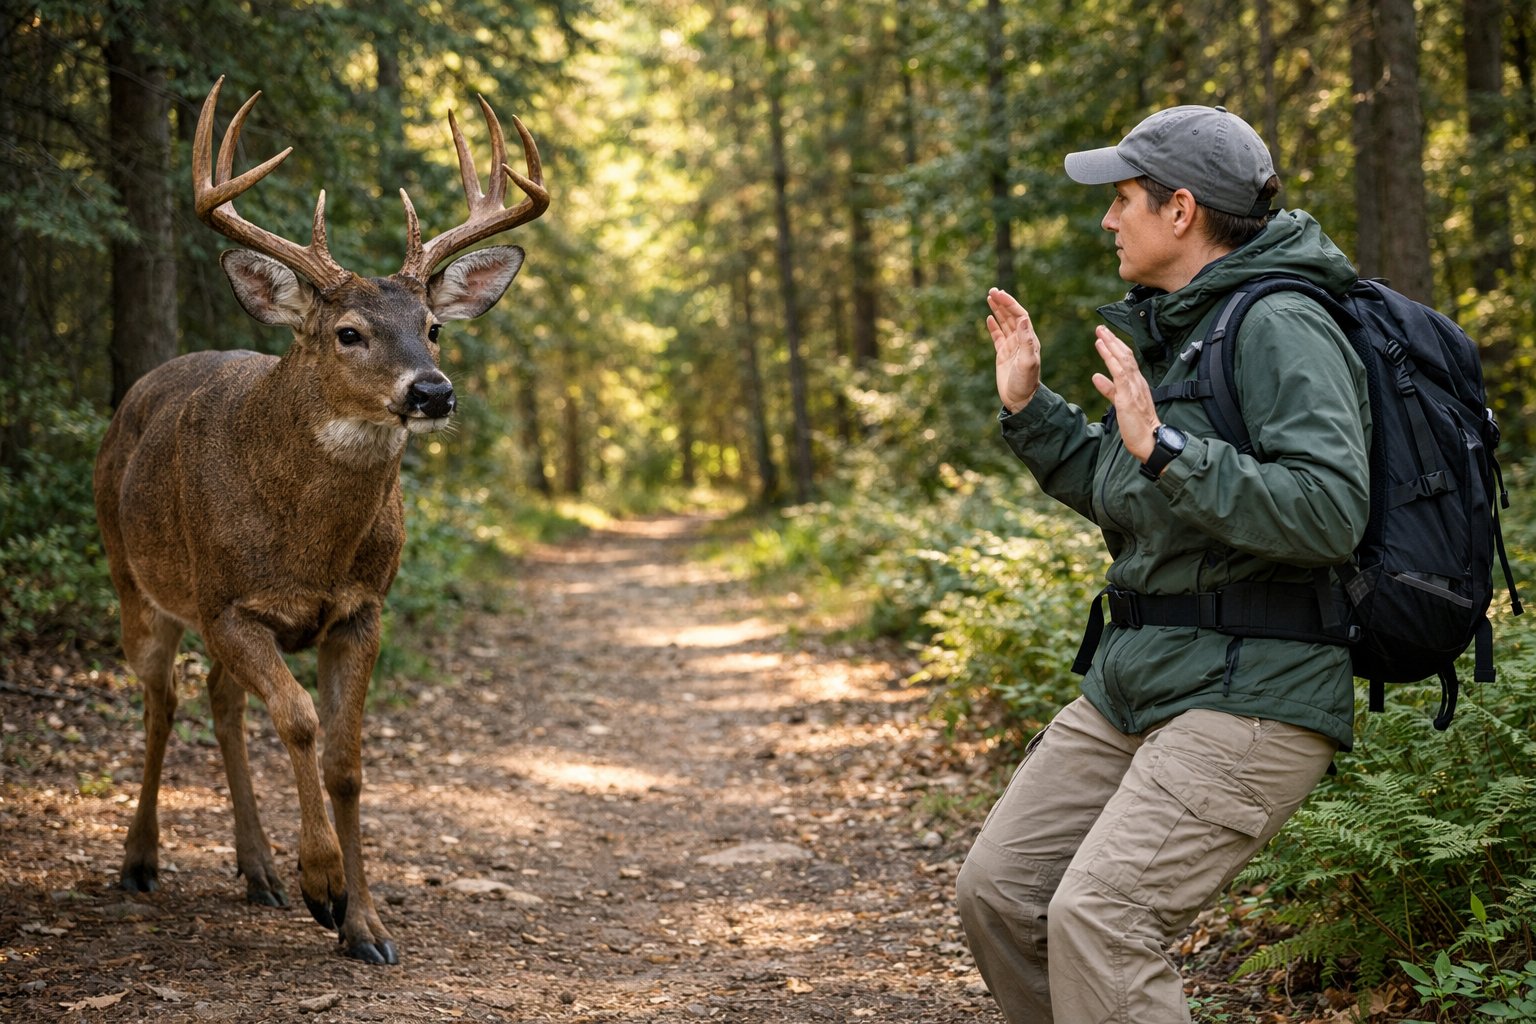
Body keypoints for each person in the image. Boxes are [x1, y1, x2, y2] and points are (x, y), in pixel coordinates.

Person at [954, 105, 1372, 1024]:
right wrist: (1032, 411)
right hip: (1142, 677)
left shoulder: (1282, 324)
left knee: (1102, 920)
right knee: (997, 895)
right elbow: (1139, 490)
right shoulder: (1183, 326)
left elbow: (1331, 513)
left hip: (1255, 690)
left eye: (1124, 198)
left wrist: (1168, 451)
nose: (1109, 218)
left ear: (1180, 211)